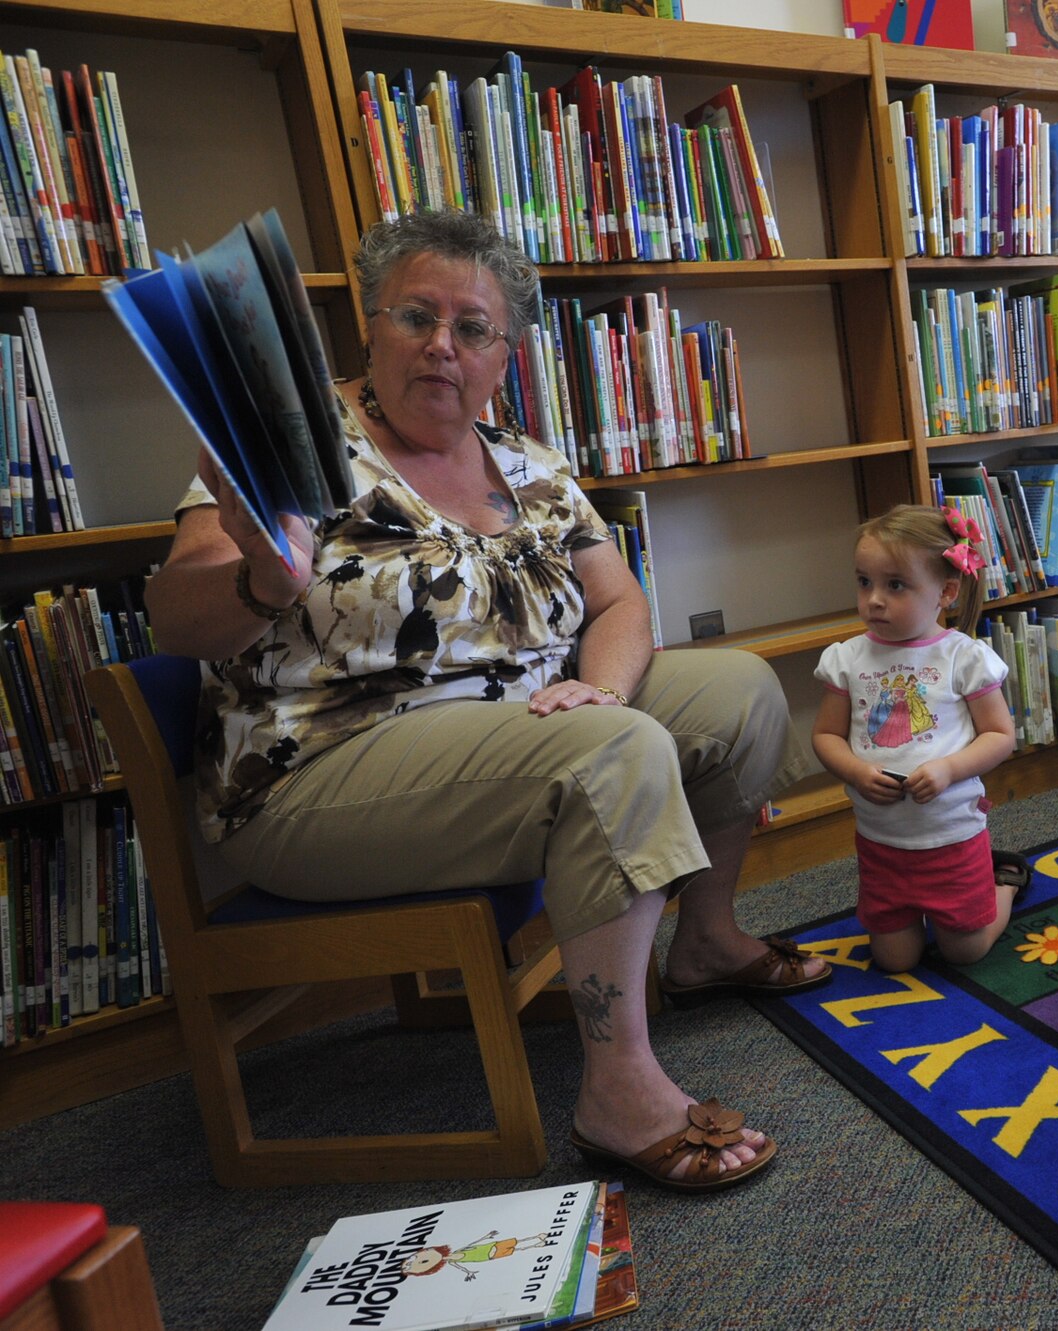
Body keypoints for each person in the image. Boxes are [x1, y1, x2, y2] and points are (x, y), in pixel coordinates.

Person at [143, 209, 829, 1192]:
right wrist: (261, 573)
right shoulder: (291, 448)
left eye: (472, 328)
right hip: (328, 770)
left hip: (530, 725)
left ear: (504, 354)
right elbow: (176, 620)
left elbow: (621, 599)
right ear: (369, 326)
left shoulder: (529, 462)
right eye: (415, 315)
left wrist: (599, 685)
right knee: (615, 751)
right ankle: (620, 1090)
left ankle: (707, 941)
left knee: (739, 689)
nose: (441, 345)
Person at [812, 505, 1024, 973]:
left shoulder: (964, 657)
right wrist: (855, 771)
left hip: (951, 835)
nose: (874, 600)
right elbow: (826, 735)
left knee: (964, 952)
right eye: (864, 582)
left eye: (895, 585)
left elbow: (999, 735)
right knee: (894, 961)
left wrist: (949, 769)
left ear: (945, 592)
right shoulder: (847, 659)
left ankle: (1004, 884)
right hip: (881, 839)